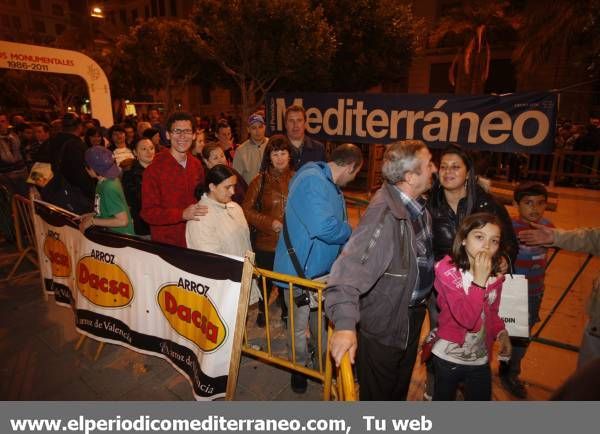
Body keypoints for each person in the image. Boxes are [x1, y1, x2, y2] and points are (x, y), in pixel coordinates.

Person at [326, 140, 436, 401]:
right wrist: (344, 325)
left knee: (396, 394)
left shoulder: (417, 207)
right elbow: (347, 274)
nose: (435, 168)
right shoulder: (386, 216)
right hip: (385, 329)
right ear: (410, 176)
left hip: (408, 320)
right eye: (429, 163)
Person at [424, 144, 518, 399]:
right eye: (443, 166)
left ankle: (472, 383)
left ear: (468, 172)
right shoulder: (428, 203)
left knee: (478, 336)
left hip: (484, 284)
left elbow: (509, 241)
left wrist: (504, 259)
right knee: (444, 338)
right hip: (444, 287)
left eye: (455, 166)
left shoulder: (486, 203)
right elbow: (421, 244)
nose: (448, 171)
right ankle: (436, 388)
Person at [274, 143, 363, 394]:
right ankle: (298, 369)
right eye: (356, 173)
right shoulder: (313, 181)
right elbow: (323, 227)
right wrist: (351, 233)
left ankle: (319, 363)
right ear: (349, 166)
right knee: (297, 327)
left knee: (318, 323)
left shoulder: (327, 182)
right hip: (300, 272)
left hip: (320, 271)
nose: (354, 178)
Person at [431, 212, 512, 400]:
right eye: (479, 237)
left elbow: (491, 311)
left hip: (480, 358)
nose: (486, 246)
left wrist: (501, 333)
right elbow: (466, 319)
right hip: (448, 358)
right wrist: (479, 281)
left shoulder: (495, 275)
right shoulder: (448, 271)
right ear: (464, 239)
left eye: (494, 241)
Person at [499, 182, 554, 398]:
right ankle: (500, 367)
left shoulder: (549, 227)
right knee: (505, 333)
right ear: (516, 204)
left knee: (522, 337)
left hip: (534, 292)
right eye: (528, 203)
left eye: (541, 203)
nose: (535, 209)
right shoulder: (508, 228)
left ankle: (511, 373)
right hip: (511, 291)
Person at [518, 225, 600, 369]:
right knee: (587, 377)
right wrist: (557, 237)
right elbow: (593, 238)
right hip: (597, 325)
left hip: (533, 293)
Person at [242, 134, 294, 327]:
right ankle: (264, 308)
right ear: (268, 157)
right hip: (266, 243)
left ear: (290, 155)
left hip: (291, 243)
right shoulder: (259, 180)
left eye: (283, 153)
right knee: (266, 282)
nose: (279, 157)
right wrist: (269, 222)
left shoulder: (299, 178)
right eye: (275, 153)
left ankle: (287, 311)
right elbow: (246, 210)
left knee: (289, 282)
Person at [140, 112, 205, 248]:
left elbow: (201, 199)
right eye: (177, 131)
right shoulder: (154, 170)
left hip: (196, 240)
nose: (182, 136)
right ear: (168, 135)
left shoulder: (196, 165)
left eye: (187, 131)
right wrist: (181, 214)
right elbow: (148, 213)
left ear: (194, 135)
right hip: (168, 246)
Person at [185, 164, 252, 257]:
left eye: (234, 186)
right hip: (225, 270)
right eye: (227, 187)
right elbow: (210, 260)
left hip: (244, 269)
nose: (233, 192)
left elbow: (246, 244)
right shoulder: (200, 218)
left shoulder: (235, 207)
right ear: (212, 187)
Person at [34, 113, 95, 211]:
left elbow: (37, 174)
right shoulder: (77, 145)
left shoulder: (48, 143)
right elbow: (83, 177)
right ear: (79, 127)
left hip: (52, 197)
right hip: (75, 199)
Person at [79, 146, 135, 236]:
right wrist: (93, 215)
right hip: (112, 235)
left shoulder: (108, 187)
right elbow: (109, 209)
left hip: (120, 238)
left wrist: (93, 221)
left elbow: (123, 221)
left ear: (91, 168)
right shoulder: (104, 181)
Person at [122, 138, 156, 238]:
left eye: (151, 148)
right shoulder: (130, 174)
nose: (149, 152)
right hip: (144, 225)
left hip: (162, 223)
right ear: (135, 152)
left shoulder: (161, 170)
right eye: (144, 149)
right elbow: (136, 200)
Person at [284, 105, 326, 169]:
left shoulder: (319, 149)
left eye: (299, 120)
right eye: (291, 121)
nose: (295, 125)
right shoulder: (275, 148)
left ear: (305, 124)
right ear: (285, 125)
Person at [234, 113, 268, 184]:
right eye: (254, 128)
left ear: (265, 127)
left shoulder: (272, 144)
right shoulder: (240, 151)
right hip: (250, 192)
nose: (258, 131)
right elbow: (236, 178)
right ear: (248, 130)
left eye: (260, 127)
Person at [0, 112, 28, 197]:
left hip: (22, 173)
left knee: (25, 198)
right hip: (5, 177)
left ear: (7, 123)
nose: (0, 124)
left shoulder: (16, 136)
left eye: (2, 121)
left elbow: (24, 153)